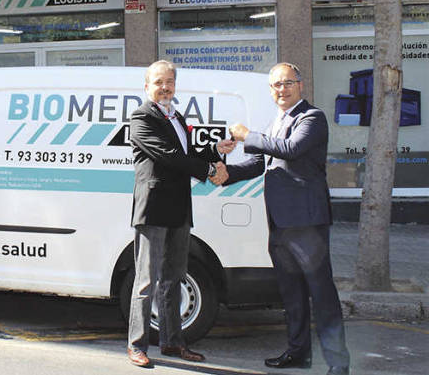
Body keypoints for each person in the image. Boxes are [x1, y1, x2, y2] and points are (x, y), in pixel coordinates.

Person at [215, 62, 350, 375]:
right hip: (279, 222)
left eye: (288, 82)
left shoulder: (312, 117)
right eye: (276, 85)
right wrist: (226, 174)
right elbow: (258, 163)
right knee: (291, 293)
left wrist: (248, 134)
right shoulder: (276, 121)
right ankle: (298, 353)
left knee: (322, 293)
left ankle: (339, 363)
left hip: (306, 223)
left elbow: (291, 149)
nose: (282, 89)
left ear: (300, 85)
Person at [127, 60, 233, 368]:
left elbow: (185, 154)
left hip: (179, 209)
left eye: (169, 81)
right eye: (158, 82)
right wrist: (209, 169)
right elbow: (167, 155)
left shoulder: (177, 116)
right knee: (146, 282)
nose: (165, 87)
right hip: (154, 209)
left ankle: (172, 343)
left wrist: (215, 150)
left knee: (173, 280)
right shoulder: (141, 117)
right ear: (147, 87)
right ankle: (136, 345)